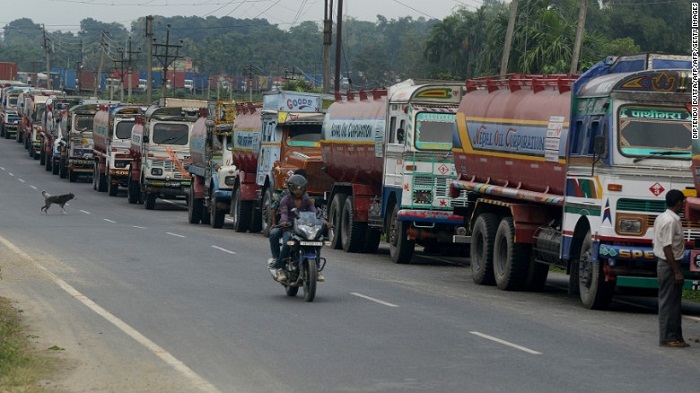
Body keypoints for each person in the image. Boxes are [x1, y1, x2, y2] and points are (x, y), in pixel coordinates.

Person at [268, 174, 324, 282]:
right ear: (290, 187)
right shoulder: (285, 198)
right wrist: (284, 221)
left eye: (301, 188)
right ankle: (280, 267)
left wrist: (322, 220)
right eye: (295, 188)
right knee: (286, 242)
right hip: (288, 227)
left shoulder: (306, 199)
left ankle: (316, 268)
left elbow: (314, 211)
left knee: (318, 240)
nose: (298, 191)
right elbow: (283, 212)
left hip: (303, 227)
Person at [652, 189, 688, 348]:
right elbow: (667, 248)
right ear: (679, 202)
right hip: (669, 265)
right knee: (668, 302)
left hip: (669, 264)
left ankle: (676, 336)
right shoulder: (670, 221)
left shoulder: (664, 217)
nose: (684, 204)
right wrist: (677, 271)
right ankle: (667, 337)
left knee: (675, 302)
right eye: (683, 202)